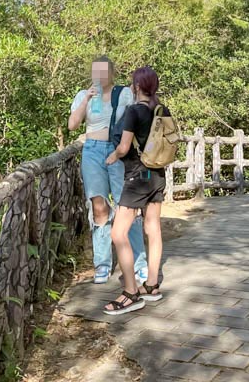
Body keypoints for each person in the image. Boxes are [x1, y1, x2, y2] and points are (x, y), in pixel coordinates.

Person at [68, 56, 147, 286]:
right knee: (99, 205)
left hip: (118, 152)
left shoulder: (123, 94)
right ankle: (102, 263)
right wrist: (87, 100)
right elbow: (72, 125)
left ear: (112, 72)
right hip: (92, 150)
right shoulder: (84, 95)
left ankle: (139, 263)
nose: (100, 76)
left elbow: (139, 116)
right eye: (96, 71)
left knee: (127, 206)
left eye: (104, 71)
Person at [103, 66, 167, 315]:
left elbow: (124, 146)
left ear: (137, 87)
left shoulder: (134, 112)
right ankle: (151, 285)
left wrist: (112, 157)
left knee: (118, 234)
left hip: (137, 177)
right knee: (153, 228)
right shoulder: (162, 110)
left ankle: (130, 293)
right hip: (157, 175)